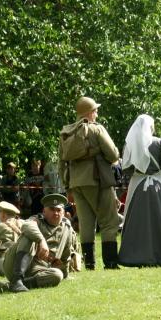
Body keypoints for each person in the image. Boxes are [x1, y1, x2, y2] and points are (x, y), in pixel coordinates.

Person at [59, 96, 121, 270]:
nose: (97, 112)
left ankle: (90, 264)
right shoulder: (97, 129)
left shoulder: (66, 132)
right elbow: (114, 154)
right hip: (97, 180)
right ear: (90, 112)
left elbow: (61, 162)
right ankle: (110, 263)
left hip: (75, 183)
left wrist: (67, 185)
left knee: (86, 224)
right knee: (109, 221)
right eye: (95, 110)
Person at [118, 114, 161, 267]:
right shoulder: (160, 142)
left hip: (138, 186)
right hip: (157, 186)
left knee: (138, 222)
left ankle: (136, 256)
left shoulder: (130, 145)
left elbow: (126, 169)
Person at [0, 193, 77, 293]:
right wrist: (41, 240)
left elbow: (66, 253)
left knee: (57, 275)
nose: (55, 213)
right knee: (28, 236)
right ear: (44, 211)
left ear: (63, 213)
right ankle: (16, 279)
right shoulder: (36, 220)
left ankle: (11, 285)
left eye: (58, 210)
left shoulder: (66, 228)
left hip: (39, 270)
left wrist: (65, 274)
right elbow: (26, 226)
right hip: (15, 265)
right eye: (51, 209)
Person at [0, 200, 24, 274]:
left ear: (3, 215)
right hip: (23, 262)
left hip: (6, 263)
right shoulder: (23, 223)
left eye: (0, 212)